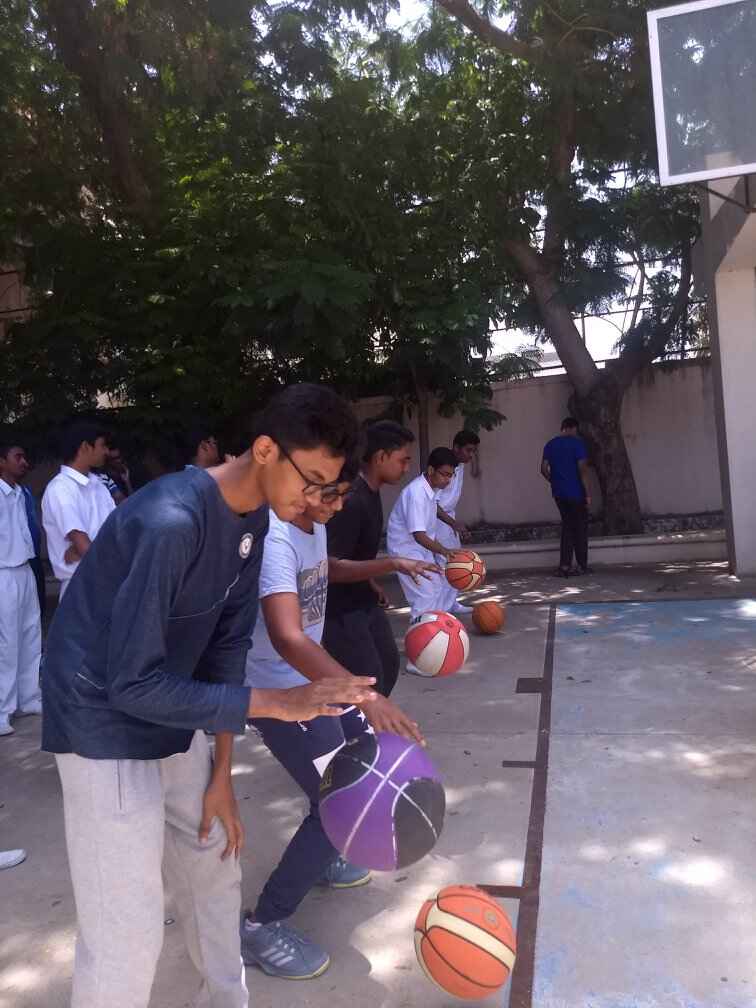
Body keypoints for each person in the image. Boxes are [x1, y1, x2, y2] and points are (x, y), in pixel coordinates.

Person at [40, 383, 377, 1008]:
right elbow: (131, 682)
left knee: (217, 863)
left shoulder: (252, 522)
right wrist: (280, 702)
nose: (316, 502)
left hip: (175, 707)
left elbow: (224, 652)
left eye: (327, 490)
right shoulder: (172, 520)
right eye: (313, 483)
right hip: (102, 721)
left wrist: (221, 772)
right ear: (267, 449)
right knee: (128, 928)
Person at [241, 456, 436, 980]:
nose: (340, 504)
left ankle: (323, 859)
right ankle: (263, 925)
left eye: (343, 494)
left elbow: (331, 571)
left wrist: (391, 565)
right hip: (281, 693)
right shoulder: (277, 538)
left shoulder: (312, 527)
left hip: (315, 683)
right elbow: (287, 636)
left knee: (359, 770)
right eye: (331, 494)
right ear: (305, 488)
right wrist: (367, 697)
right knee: (339, 802)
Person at [323, 421, 415, 698]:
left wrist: (371, 581)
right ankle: (360, 736)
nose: (407, 467)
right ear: (380, 457)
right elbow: (330, 566)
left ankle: (372, 731)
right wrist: (392, 563)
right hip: (340, 611)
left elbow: (355, 553)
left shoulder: (372, 494)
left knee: (388, 665)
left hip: (363, 600)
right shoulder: (351, 501)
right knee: (368, 682)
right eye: (403, 460)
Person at [386, 447, 459, 636]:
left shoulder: (429, 488)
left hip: (419, 549)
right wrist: (444, 551)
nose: (448, 480)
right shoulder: (416, 493)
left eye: (451, 476)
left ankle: (435, 639)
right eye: (444, 474)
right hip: (405, 551)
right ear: (431, 470)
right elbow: (419, 535)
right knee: (424, 595)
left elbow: (434, 509)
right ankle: (418, 652)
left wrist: (452, 523)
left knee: (437, 587)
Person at [41, 422, 116, 600]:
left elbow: (117, 531)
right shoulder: (60, 488)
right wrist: (84, 548)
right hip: (81, 586)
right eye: (102, 445)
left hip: (106, 581)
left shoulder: (98, 486)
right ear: (85, 447)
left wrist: (80, 550)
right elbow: (84, 545)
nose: (106, 451)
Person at [0, 437, 43, 736]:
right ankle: (2, 710)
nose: (24, 462)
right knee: (6, 643)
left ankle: (28, 698)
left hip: (25, 569)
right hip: (2, 573)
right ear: (1, 462)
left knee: (30, 636)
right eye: (18, 457)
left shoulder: (21, 493)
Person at [436, 429, 480, 615]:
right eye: (468, 450)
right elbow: (432, 503)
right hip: (436, 519)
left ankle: (452, 603)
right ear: (456, 448)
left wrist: (454, 523)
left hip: (448, 517)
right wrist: (452, 523)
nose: (471, 455)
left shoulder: (459, 466)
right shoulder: (443, 467)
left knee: (455, 562)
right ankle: (443, 609)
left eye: (473, 451)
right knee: (445, 563)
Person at [541, 417, 592, 577]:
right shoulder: (577, 444)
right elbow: (582, 470)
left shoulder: (550, 445)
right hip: (576, 493)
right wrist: (587, 493)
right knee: (580, 529)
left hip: (559, 493)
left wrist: (554, 481)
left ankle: (564, 566)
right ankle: (581, 565)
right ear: (572, 428)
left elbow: (543, 469)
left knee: (568, 526)